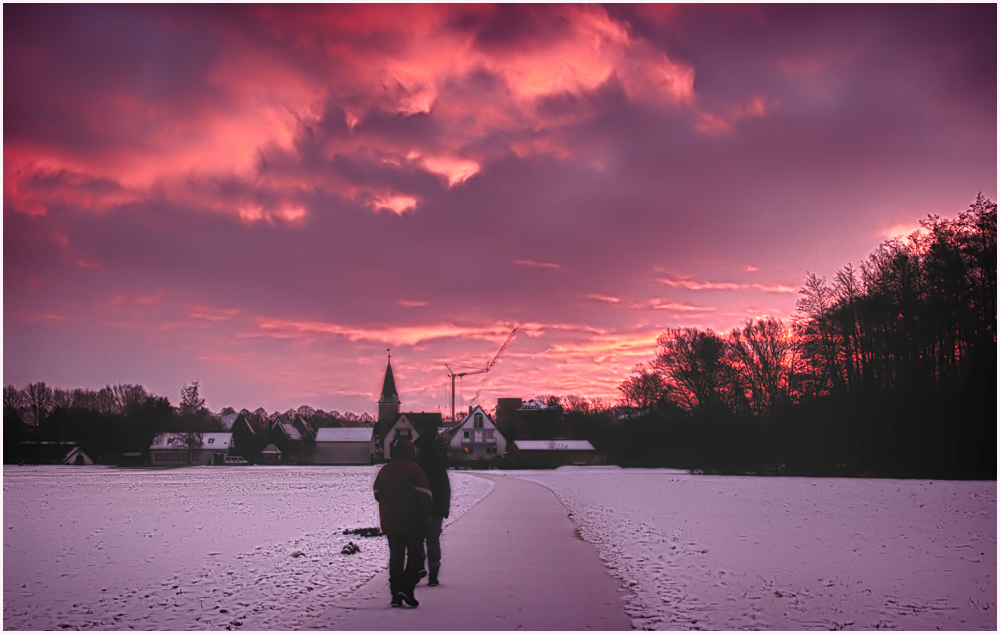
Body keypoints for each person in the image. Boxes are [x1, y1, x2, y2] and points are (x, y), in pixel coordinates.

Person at [373, 438, 433, 608]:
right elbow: (425, 495)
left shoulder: (384, 470)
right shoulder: (414, 469)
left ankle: (395, 595)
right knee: (417, 557)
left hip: (390, 521)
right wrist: (427, 514)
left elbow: (377, 493)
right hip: (412, 521)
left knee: (396, 557)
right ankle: (406, 587)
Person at [413, 434, 451, 587]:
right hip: (437, 509)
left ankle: (418, 568)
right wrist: (444, 508)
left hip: (420, 509)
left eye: (415, 448)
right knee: (433, 541)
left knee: (417, 540)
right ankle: (433, 574)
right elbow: (445, 488)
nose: (414, 451)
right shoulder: (439, 463)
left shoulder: (416, 465)